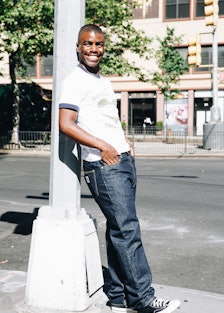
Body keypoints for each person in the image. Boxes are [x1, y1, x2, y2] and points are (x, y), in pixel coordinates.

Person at [59, 24, 180, 313]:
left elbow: (105, 117)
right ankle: (143, 298)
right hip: (104, 165)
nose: (93, 49)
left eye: (98, 44)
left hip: (121, 159)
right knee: (127, 230)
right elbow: (65, 124)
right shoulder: (74, 80)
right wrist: (104, 147)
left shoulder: (102, 81)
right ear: (78, 47)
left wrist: (122, 141)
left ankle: (117, 297)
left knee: (119, 229)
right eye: (87, 44)